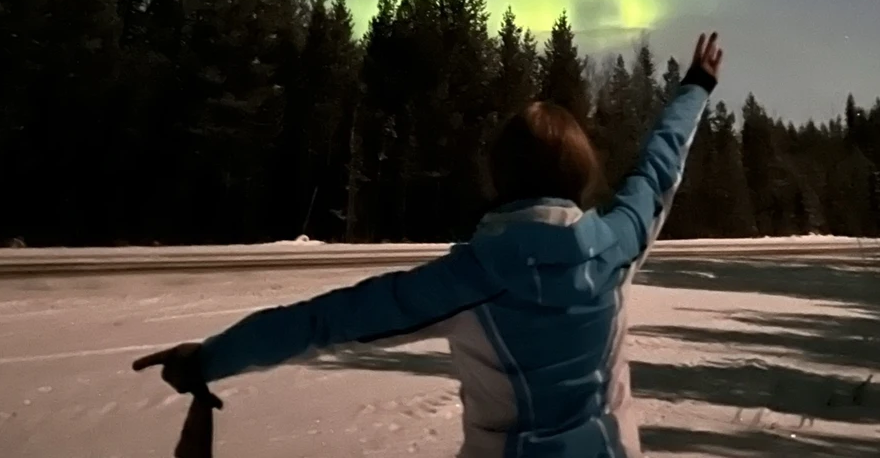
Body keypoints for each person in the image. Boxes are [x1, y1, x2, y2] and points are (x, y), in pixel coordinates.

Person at [134, 29, 724, 458]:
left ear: (499, 177)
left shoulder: (466, 281)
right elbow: (657, 167)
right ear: (579, 174)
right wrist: (695, 87)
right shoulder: (618, 243)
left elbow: (323, 321)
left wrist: (210, 358)